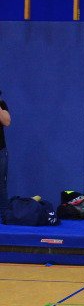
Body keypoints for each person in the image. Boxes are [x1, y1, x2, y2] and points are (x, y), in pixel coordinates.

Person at [0, 91, 11, 222]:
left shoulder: (2, 104)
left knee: (1, 185)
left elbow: (6, 122)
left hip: (0, 151)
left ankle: (4, 216)